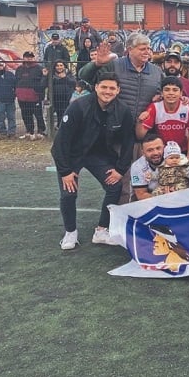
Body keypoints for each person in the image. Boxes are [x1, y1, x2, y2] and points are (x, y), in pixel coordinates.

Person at [50, 73, 135, 250]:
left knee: (115, 186)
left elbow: (128, 143)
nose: (107, 91)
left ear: (118, 90)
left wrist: (120, 169)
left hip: (99, 155)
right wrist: (65, 171)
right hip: (72, 155)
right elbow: (60, 142)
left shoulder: (123, 111)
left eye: (112, 88)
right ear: (96, 87)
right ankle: (70, 232)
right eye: (104, 87)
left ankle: (101, 231)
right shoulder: (78, 106)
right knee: (68, 193)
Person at [79, 32, 163, 119]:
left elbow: (167, 92)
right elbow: (84, 76)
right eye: (142, 49)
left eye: (149, 49)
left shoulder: (156, 72)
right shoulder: (114, 66)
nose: (147, 52)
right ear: (130, 50)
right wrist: (97, 64)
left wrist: (161, 96)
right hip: (115, 125)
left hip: (144, 127)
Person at [136, 77, 189, 156]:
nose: (171, 93)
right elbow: (140, 136)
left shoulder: (188, 107)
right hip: (161, 152)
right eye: (167, 90)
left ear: (181, 93)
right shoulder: (154, 107)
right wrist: (139, 122)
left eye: (175, 90)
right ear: (161, 93)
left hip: (182, 151)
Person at [14, 51, 47, 140]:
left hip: (35, 97)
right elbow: (16, 81)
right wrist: (16, 92)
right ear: (23, 58)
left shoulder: (39, 68)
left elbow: (44, 82)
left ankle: (41, 131)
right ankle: (29, 131)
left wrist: (40, 94)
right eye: (27, 57)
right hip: (22, 96)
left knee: (38, 115)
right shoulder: (19, 69)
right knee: (25, 114)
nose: (29, 58)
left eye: (31, 57)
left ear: (34, 58)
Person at [131, 134, 165, 200]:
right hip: (150, 197)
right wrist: (164, 196)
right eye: (150, 150)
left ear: (164, 147)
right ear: (143, 152)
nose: (155, 153)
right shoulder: (137, 166)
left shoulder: (175, 158)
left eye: (158, 148)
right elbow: (141, 195)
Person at [50, 59, 76, 129]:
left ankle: (67, 126)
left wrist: (65, 78)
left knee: (67, 113)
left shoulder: (69, 74)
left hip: (66, 97)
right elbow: (45, 84)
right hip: (56, 98)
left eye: (61, 65)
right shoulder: (52, 75)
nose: (59, 67)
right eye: (57, 66)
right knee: (59, 113)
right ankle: (59, 125)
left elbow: (74, 83)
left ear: (64, 66)